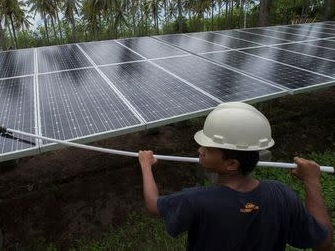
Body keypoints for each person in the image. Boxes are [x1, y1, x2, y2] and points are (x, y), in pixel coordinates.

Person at [139, 102, 333, 251]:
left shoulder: (197, 200)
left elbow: (153, 205)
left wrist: (146, 165)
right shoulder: (282, 195)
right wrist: (312, 181)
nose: (200, 150)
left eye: (208, 148)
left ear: (232, 164)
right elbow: (323, 244)